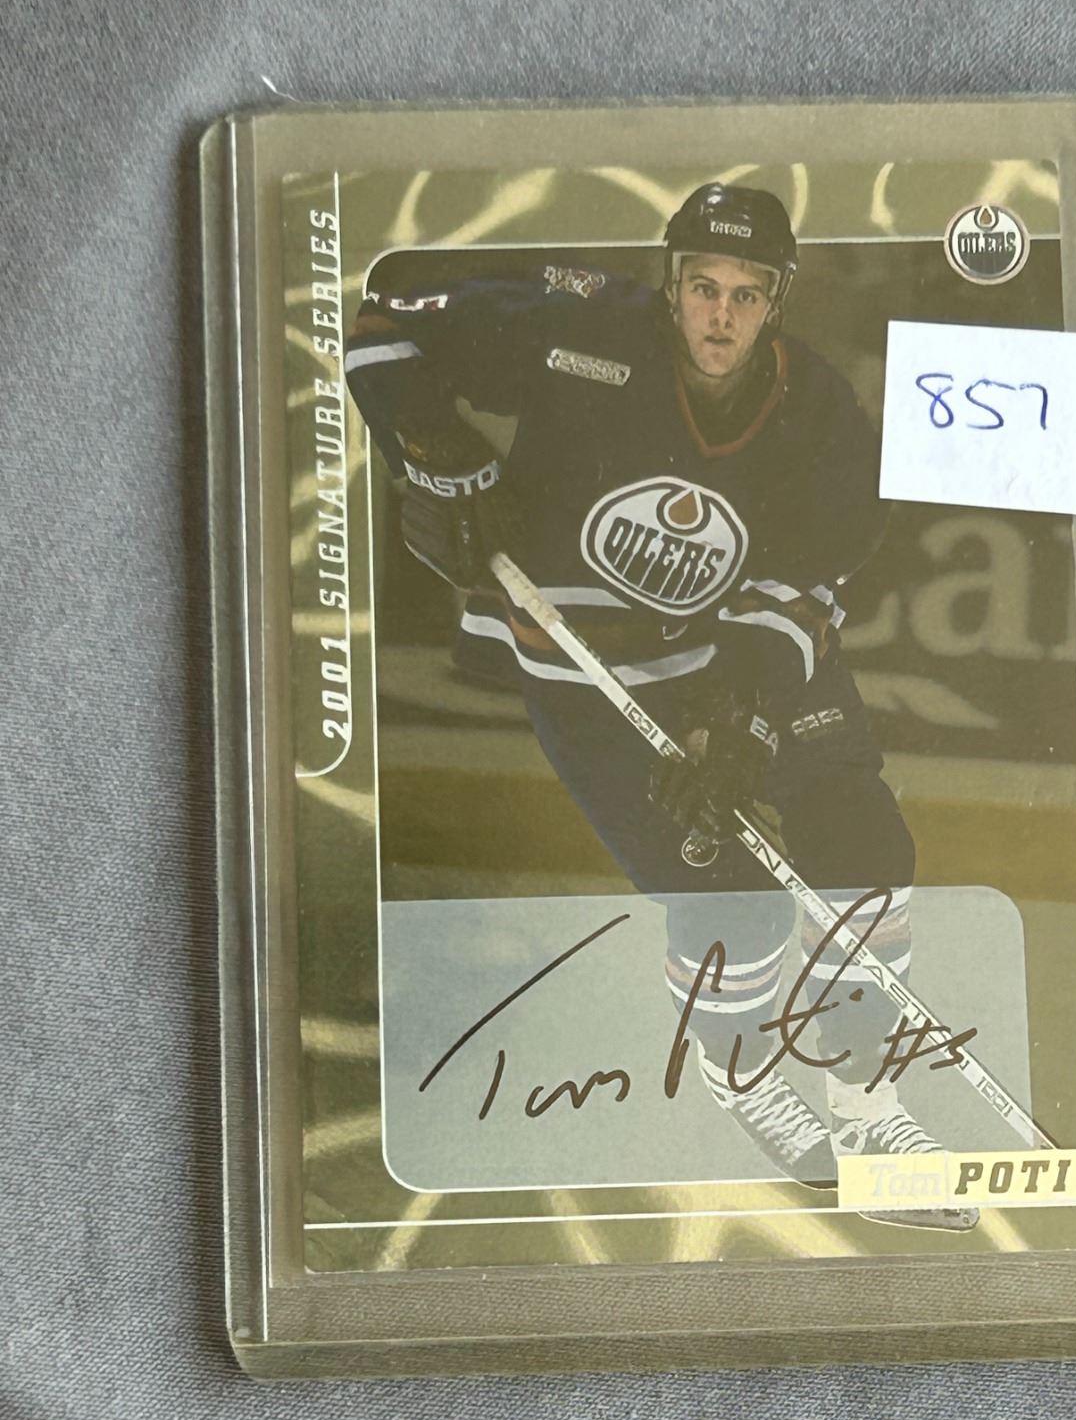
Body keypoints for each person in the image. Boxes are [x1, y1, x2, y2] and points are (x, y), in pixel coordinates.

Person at [345, 182, 975, 1229]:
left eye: (746, 294)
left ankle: (869, 1106)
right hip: (593, 670)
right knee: (738, 905)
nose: (720, 315)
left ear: (777, 302)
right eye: (702, 288)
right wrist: (435, 459)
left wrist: (745, 720)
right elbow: (383, 322)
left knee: (863, 847)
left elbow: (810, 580)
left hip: (741, 656)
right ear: (669, 283)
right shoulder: (576, 327)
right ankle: (738, 1071)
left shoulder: (817, 409)